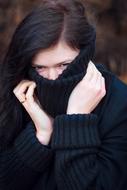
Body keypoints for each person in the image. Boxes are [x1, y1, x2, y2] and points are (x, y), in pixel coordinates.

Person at [0, 0, 127, 190]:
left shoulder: (118, 100)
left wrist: (76, 118)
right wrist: (41, 136)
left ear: (84, 54)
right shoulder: (19, 93)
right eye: (40, 67)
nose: (52, 78)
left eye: (63, 65)